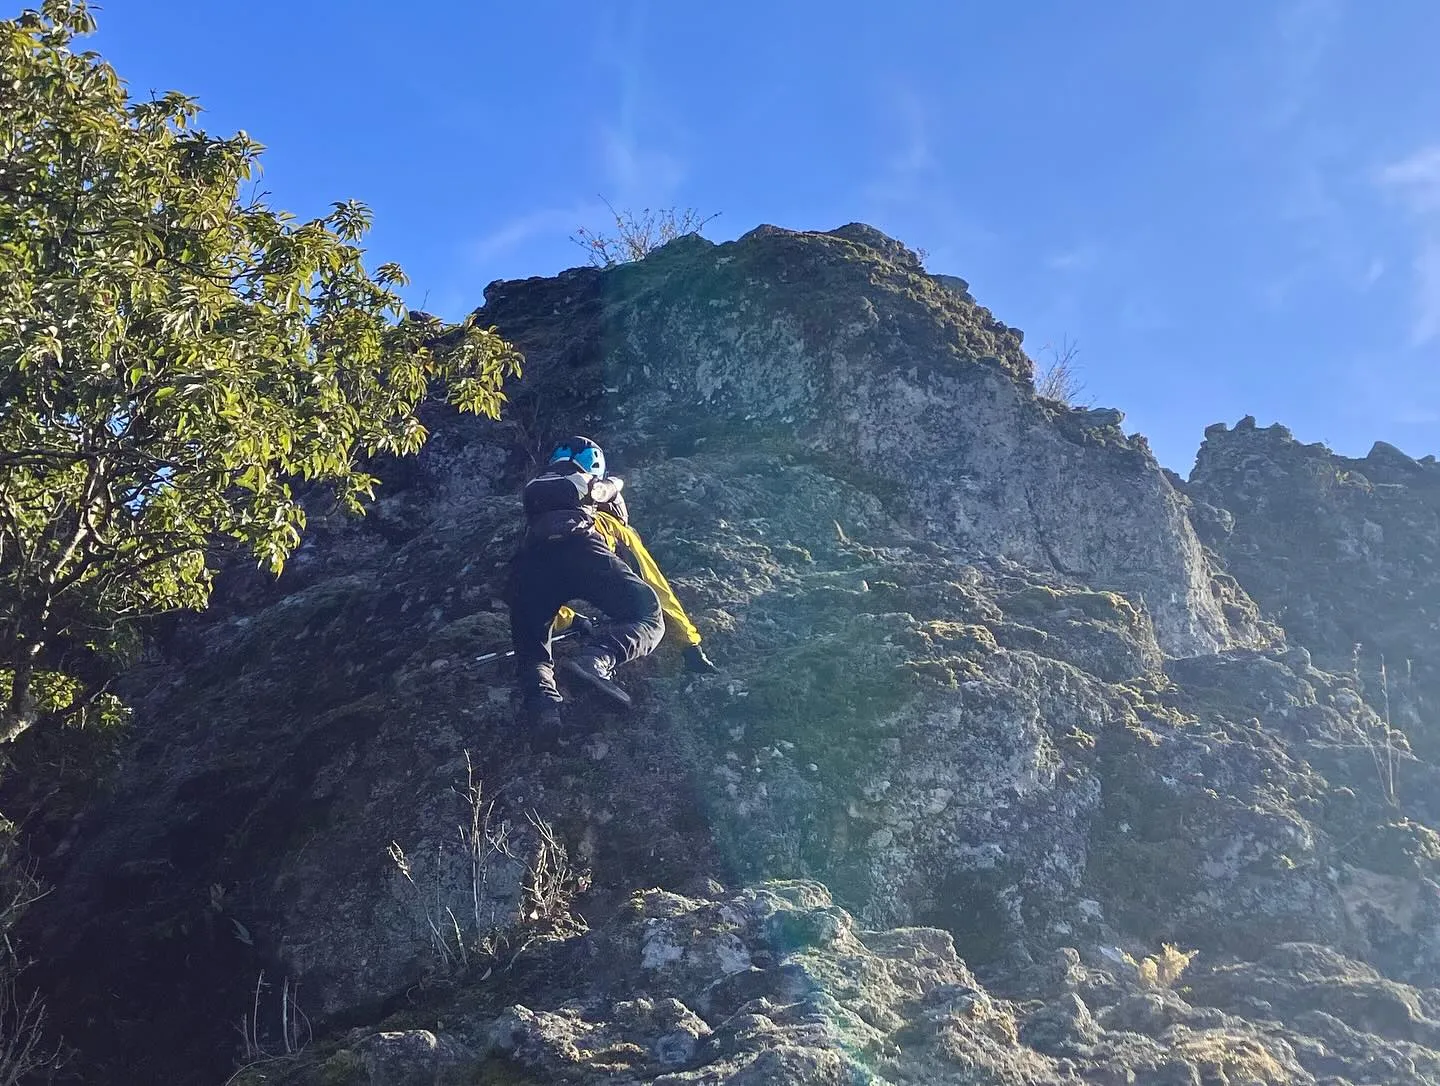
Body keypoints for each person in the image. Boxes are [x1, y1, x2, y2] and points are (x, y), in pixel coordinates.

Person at [507, 436, 717, 731]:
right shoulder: (611, 525)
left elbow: (527, 592)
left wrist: (570, 620)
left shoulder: (535, 526)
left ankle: (544, 710)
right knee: (648, 615)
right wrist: (689, 644)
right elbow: (654, 587)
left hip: (530, 568)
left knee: (533, 650)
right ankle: (596, 660)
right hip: (585, 553)